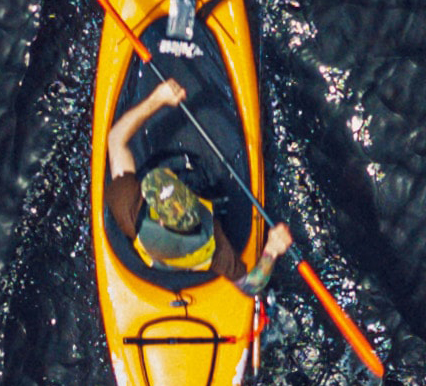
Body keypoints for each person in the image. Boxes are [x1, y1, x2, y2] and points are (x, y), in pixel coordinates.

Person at [104, 71, 293, 304]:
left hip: (157, 260)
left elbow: (115, 139)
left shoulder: (128, 209)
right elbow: (251, 285)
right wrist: (272, 249)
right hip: (192, 257)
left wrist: (157, 99)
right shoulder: (216, 250)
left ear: (158, 218)